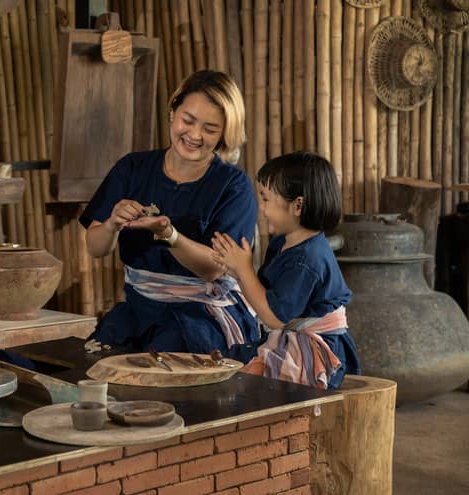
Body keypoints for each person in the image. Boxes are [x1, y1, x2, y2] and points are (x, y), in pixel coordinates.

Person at [79, 70, 260, 360]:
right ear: (173, 110)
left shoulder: (233, 186)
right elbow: (96, 247)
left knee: (163, 376)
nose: (194, 135)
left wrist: (170, 235)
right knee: (97, 365)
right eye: (187, 120)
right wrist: (112, 223)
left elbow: (215, 268)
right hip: (138, 309)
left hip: (200, 315)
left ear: (226, 133)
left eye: (210, 129)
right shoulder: (133, 168)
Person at [211, 151, 360, 389]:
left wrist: (244, 267)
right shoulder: (283, 243)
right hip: (290, 337)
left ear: (297, 206)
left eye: (266, 199)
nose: (262, 208)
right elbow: (264, 292)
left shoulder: (306, 259)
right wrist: (235, 269)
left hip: (316, 349)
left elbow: (274, 317)